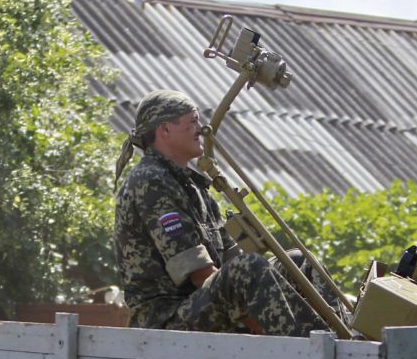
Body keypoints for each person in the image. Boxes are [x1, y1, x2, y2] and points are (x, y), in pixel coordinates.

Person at [113, 89, 327, 337]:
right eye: (192, 121)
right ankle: (313, 351)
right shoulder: (150, 181)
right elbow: (200, 273)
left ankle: (342, 340)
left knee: (300, 263)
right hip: (165, 320)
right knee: (247, 270)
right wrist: (254, 314)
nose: (201, 128)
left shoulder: (193, 187)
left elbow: (230, 261)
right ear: (165, 130)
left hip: (198, 307)